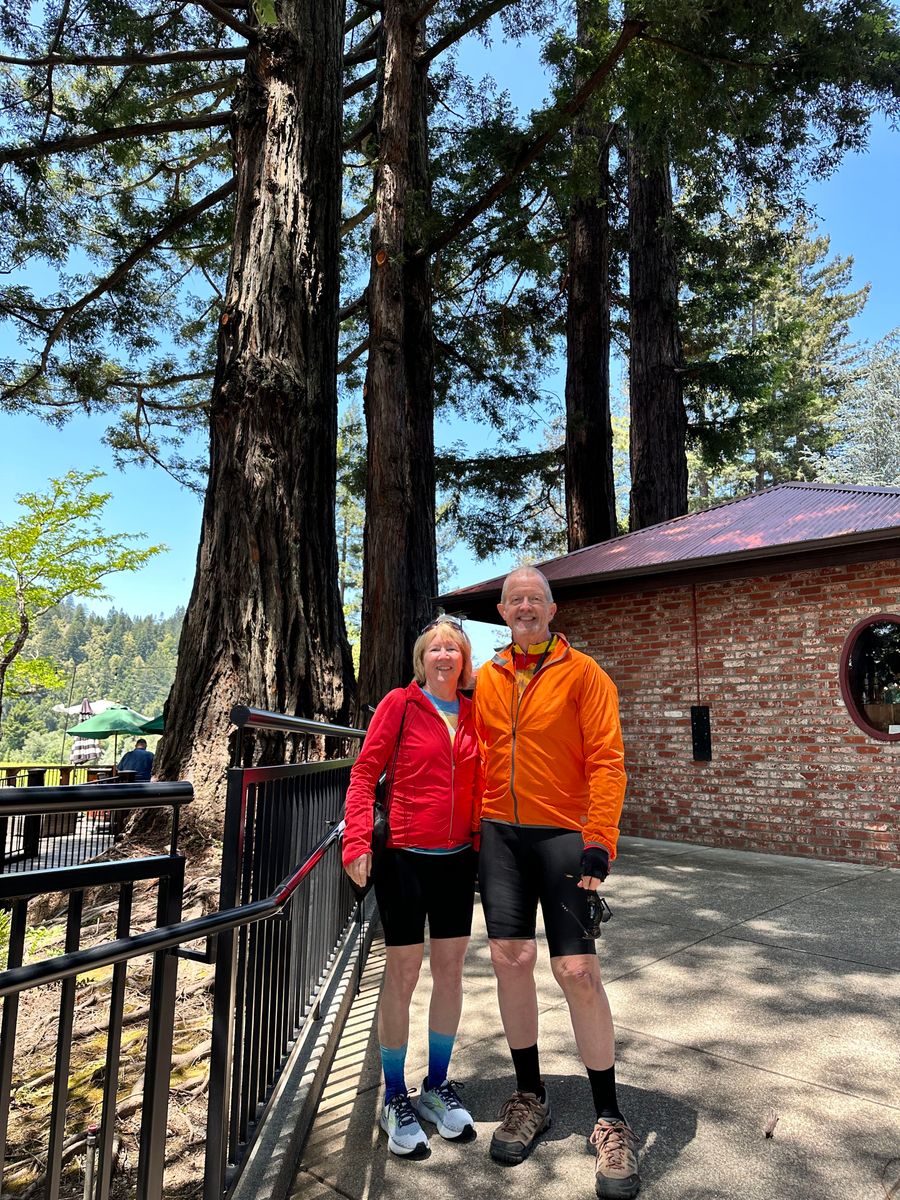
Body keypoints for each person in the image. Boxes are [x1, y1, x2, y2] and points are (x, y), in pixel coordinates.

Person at [473, 566, 639, 1199]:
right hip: (500, 837)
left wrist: (600, 839)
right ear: (502, 611)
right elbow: (471, 754)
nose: (525, 607)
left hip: (565, 835)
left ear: (551, 609)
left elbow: (608, 761)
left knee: (578, 972)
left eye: (535, 599)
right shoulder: (487, 677)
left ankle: (610, 1118)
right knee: (510, 960)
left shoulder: (585, 674)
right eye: (515, 599)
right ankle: (529, 1097)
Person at [343, 619, 481, 1158]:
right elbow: (363, 774)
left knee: (450, 972)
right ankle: (395, 1095)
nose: (444, 655)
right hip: (403, 859)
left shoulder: (475, 712)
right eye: (435, 648)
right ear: (422, 660)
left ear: (464, 661)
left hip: (457, 861)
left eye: (454, 649)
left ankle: (437, 1087)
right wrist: (357, 840)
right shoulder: (399, 705)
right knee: (402, 974)